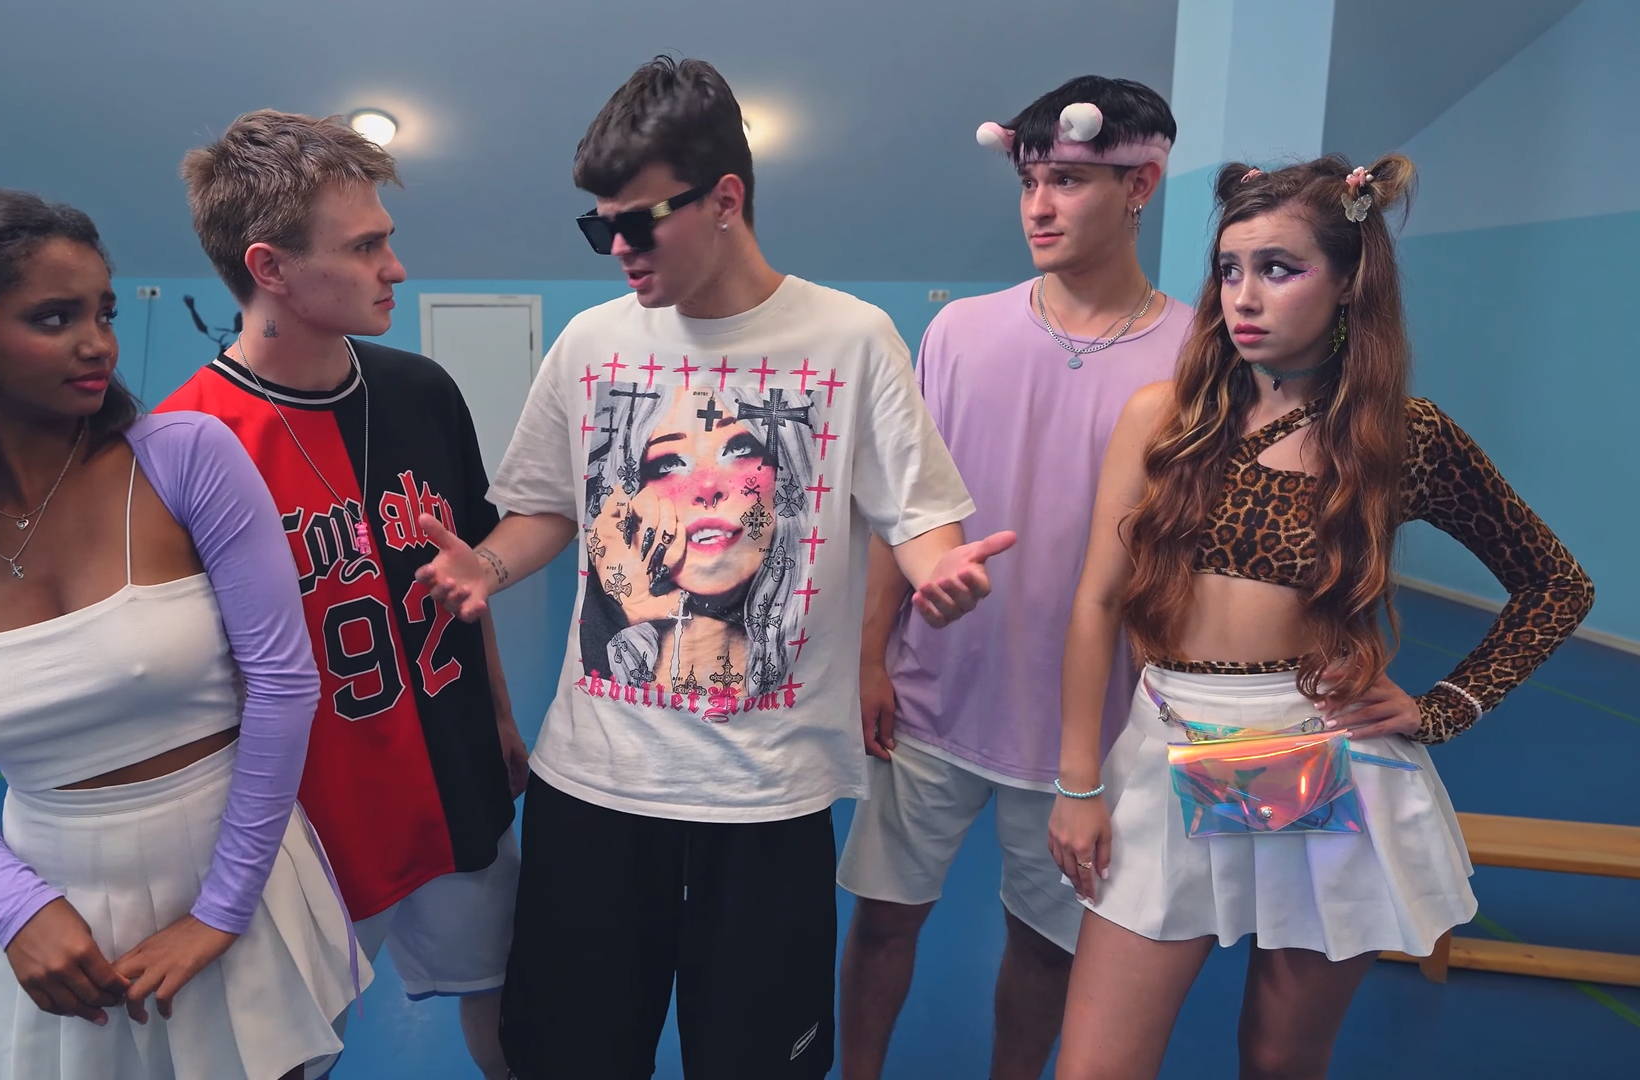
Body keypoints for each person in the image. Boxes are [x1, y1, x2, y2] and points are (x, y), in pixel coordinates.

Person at [414, 55, 1015, 1079]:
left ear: (726, 198)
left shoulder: (850, 340)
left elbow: (918, 516)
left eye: (640, 222)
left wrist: (938, 572)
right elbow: (548, 506)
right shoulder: (592, 342)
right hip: (594, 788)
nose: (618, 248)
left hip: (766, 801)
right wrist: (490, 568)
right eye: (599, 226)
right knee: (571, 1058)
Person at [1048, 154, 1593, 1079]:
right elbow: (1097, 600)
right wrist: (1076, 784)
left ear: (1348, 283)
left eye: (1279, 268)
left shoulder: (1400, 436)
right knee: (1098, 1065)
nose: (1244, 295)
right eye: (1229, 269)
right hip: (1170, 737)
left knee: (1279, 1057)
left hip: (1302, 752)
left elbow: (1555, 585)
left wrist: (1446, 706)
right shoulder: (1164, 417)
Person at [0, 187, 362, 1079]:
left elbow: (283, 683)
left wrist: (220, 912)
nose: (98, 344)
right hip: (54, 923)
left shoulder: (184, 459)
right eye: (54, 318)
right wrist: (14, 908)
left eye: (103, 313)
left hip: (233, 877)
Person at [157, 110, 528, 1080]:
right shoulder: (185, 443)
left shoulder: (423, 392)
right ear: (270, 267)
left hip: (458, 780)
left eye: (386, 241)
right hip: (306, 828)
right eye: (364, 248)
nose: (394, 268)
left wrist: (499, 717)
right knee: (285, 1058)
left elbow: (465, 573)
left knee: (517, 1024)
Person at [835, 76, 1186, 1080]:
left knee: (1045, 949)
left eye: (1068, 181)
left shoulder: (1198, 352)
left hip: (1088, 728)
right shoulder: (958, 332)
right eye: (1029, 182)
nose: (1039, 205)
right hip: (932, 696)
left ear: (1140, 185)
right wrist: (871, 658)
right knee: (884, 921)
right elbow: (899, 511)